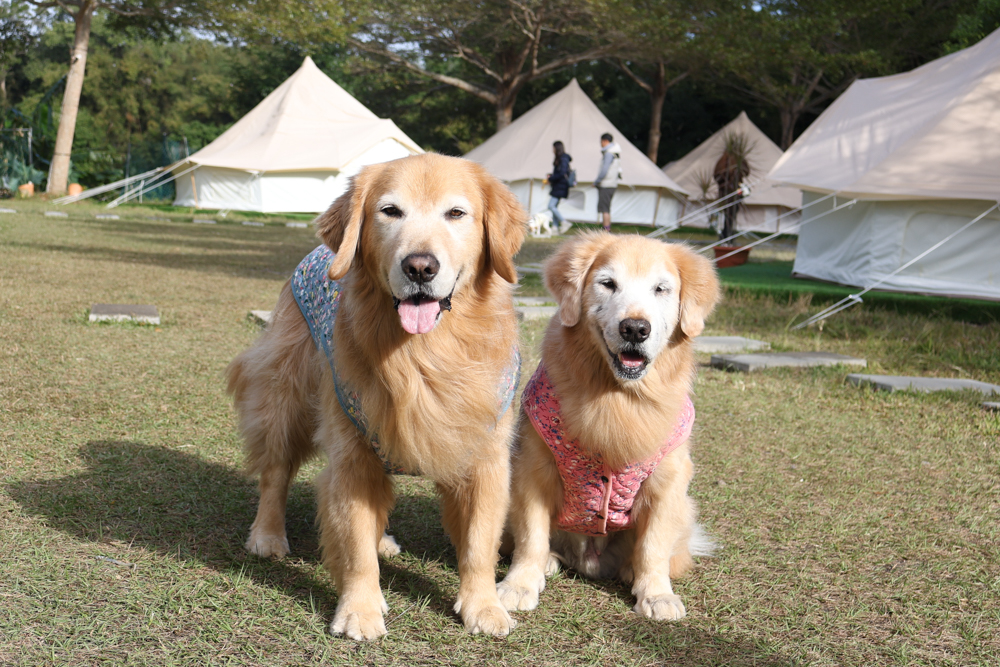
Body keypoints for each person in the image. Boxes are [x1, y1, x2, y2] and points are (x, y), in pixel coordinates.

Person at [594, 132, 622, 232]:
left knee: (604, 209)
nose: (601, 144)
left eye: (601, 142)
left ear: (605, 141)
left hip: (606, 185)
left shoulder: (609, 153)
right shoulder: (615, 152)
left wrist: (597, 181)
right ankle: (606, 229)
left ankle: (606, 231)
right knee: (607, 208)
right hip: (612, 184)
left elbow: (604, 170)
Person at [546, 141, 571, 230]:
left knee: (551, 206)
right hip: (558, 186)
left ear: (557, 148)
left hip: (560, 186)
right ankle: (555, 227)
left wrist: (551, 178)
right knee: (554, 207)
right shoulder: (561, 158)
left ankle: (564, 222)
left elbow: (562, 173)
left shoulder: (563, 159)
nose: (552, 150)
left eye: (553, 148)